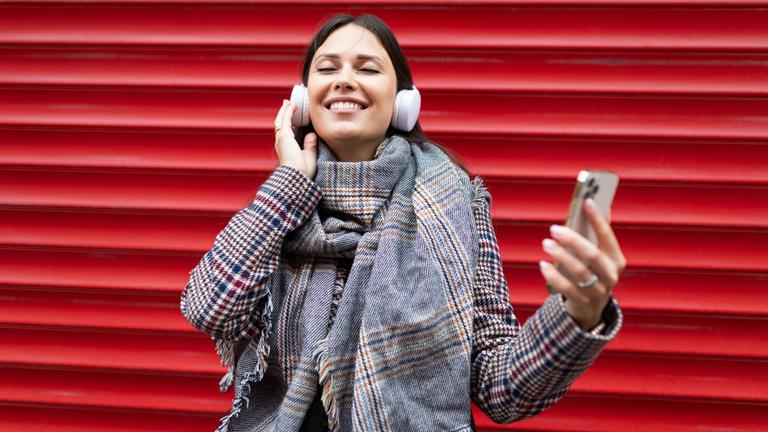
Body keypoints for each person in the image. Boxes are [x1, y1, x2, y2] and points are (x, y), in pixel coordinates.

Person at [180, 13, 626, 432]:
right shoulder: (281, 208)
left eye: (368, 69)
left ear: (403, 102)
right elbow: (207, 308)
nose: (345, 80)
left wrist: (577, 315)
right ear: (302, 99)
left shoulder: (455, 203)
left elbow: (501, 387)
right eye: (327, 67)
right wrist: (290, 184)